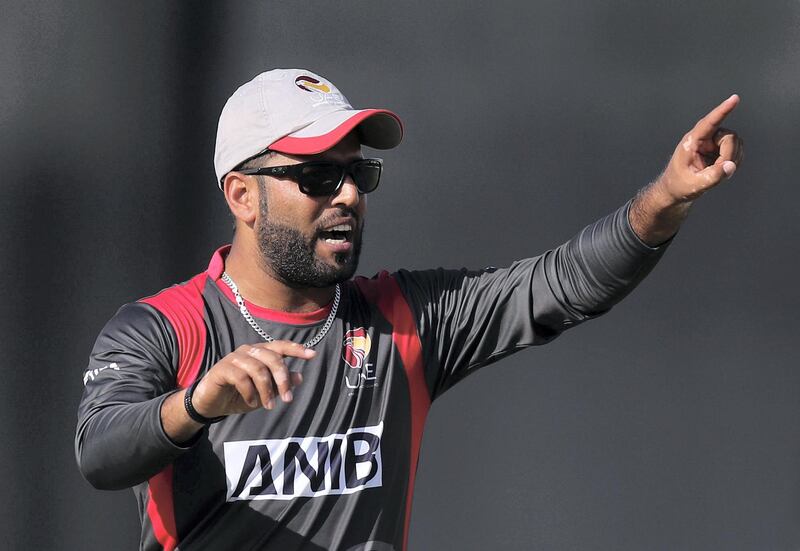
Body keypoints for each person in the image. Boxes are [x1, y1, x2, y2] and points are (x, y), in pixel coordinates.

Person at [75, 68, 743, 551]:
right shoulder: (164, 326)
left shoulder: (401, 319)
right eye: (315, 177)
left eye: (357, 174)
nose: (346, 195)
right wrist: (195, 404)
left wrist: (667, 197)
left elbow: (563, 283)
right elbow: (100, 450)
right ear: (243, 195)